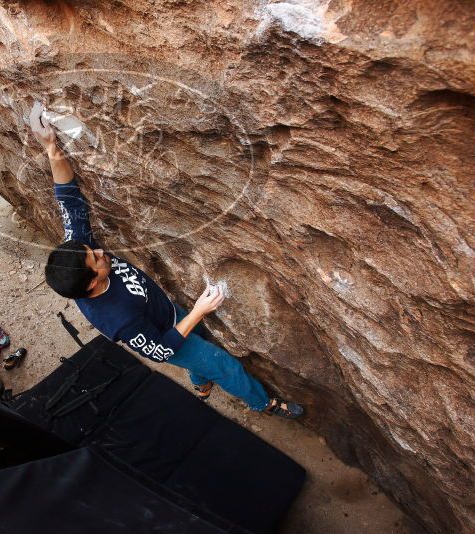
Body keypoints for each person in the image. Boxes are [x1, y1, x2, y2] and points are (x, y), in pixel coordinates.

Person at [32, 110, 303, 419]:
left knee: (198, 340)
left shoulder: (79, 255)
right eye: (97, 260)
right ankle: (264, 404)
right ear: (91, 283)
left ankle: (201, 384)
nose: (101, 251)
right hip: (169, 336)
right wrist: (200, 310)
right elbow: (161, 351)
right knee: (225, 365)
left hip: (168, 313)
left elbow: (68, 199)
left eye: (91, 250)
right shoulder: (118, 319)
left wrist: (50, 145)